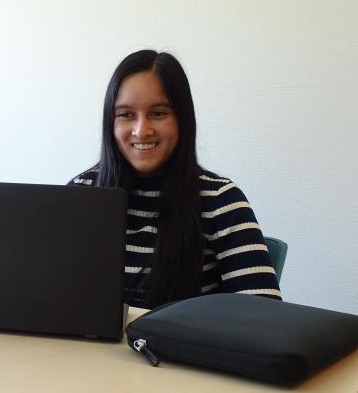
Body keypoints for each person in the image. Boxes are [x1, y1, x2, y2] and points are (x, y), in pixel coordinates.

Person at [70, 49, 281, 309]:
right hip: (86, 351)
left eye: (158, 113)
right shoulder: (81, 194)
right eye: (126, 114)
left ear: (182, 119)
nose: (141, 130)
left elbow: (264, 317)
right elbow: (52, 296)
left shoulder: (221, 201)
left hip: (184, 349)